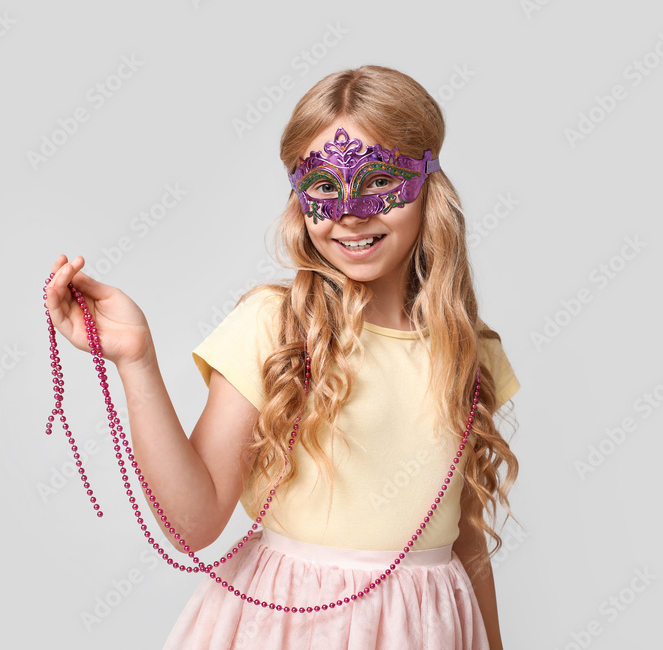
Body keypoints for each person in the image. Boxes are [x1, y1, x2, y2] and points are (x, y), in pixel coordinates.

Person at [44, 65, 521, 649]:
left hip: (424, 631)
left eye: (379, 179)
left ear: (428, 184)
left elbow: (465, 537)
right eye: (324, 186)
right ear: (300, 196)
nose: (350, 211)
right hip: (291, 627)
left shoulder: (471, 350)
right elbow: (193, 523)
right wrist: (137, 361)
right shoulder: (277, 326)